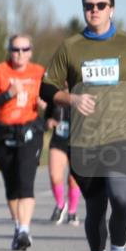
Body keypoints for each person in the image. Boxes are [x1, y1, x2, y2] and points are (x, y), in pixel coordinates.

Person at [42, 0, 126, 251]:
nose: (94, 10)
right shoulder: (71, 47)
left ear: (112, 8)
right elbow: (46, 88)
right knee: (95, 209)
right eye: (88, 5)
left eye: (100, 5)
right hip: (84, 142)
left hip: (121, 135)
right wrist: (69, 98)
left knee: (122, 198)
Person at [0, 34, 47, 250]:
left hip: (30, 131)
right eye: (15, 49)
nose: (20, 54)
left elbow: (54, 103)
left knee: (25, 181)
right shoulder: (0, 70)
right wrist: (8, 93)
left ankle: (25, 230)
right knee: (11, 186)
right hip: (3, 133)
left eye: (24, 49)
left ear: (31, 51)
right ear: (9, 50)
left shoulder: (39, 72)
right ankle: (18, 226)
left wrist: (47, 107)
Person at [44, 92, 81, 226]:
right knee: (55, 176)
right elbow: (45, 118)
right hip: (58, 141)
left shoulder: (82, 93)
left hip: (78, 142)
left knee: (74, 179)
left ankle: (72, 211)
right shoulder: (54, 97)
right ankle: (60, 205)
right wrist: (48, 122)